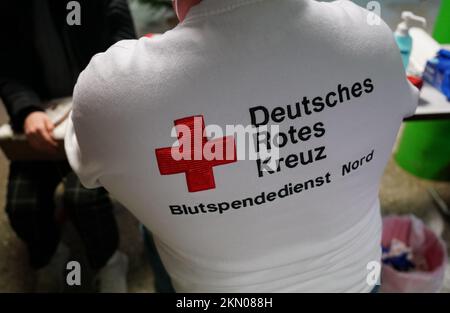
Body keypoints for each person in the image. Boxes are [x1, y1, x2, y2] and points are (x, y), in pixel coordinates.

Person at [65, 0, 419, 292]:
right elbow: (401, 102)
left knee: (153, 224)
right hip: (356, 280)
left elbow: (88, 164)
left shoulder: (114, 88)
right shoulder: (368, 35)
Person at [0, 0, 135, 292]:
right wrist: (26, 110)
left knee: (85, 199)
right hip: (41, 121)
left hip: (95, 117)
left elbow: (125, 47)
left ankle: (110, 261)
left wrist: (102, 100)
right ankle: (49, 256)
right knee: (22, 206)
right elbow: (8, 69)